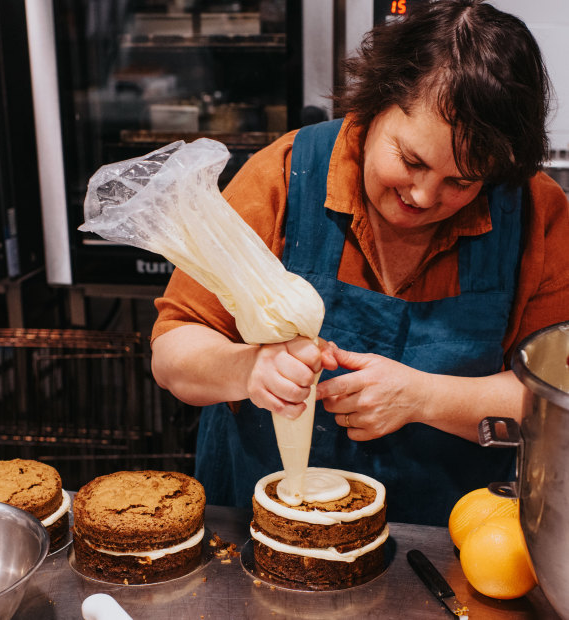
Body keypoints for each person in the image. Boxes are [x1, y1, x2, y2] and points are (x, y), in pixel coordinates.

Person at [150, 0, 569, 525]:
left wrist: (422, 397)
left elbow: (553, 405)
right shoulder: (284, 176)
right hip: (263, 525)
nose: (421, 195)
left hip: (447, 543)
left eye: (462, 182)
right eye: (411, 160)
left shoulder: (534, 212)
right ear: (376, 103)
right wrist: (248, 369)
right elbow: (173, 352)